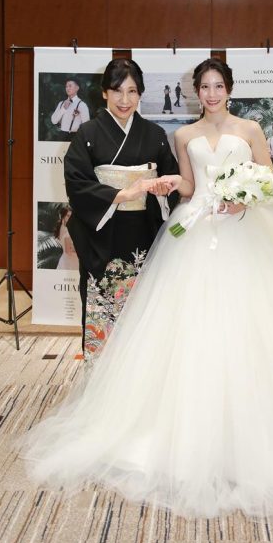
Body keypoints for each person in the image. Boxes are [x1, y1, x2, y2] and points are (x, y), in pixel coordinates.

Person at [23, 57, 273, 522]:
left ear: (230, 89)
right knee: (187, 331)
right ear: (195, 92)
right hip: (194, 230)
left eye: (219, 86)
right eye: (205, 87)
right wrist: (165, 184)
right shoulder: (181, 135)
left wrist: (246, 199)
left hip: (244, 234)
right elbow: (187, 187)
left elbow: (269, 179)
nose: (212, 94)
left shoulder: (249, 129)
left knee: (257, 327)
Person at [62, 58, 179, 363]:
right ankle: (100, 377)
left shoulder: (154, 134)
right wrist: (123, 193)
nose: (124, 100)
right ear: (104, 93)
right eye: (117, 91)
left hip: (144, 232)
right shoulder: (87, 133)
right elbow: (77, 183)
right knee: (103, 312)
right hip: (102, 235)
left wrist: (163, 190)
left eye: (132, 91)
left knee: (145, 315)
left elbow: (173, 179)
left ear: (140, 94)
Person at [54, 205, 79, 271]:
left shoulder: (61, 227)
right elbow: (68, 251)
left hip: (66, 260)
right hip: (70, 263)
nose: (70, 218)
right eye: (68, 216)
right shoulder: (66, 230)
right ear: (63, 216)